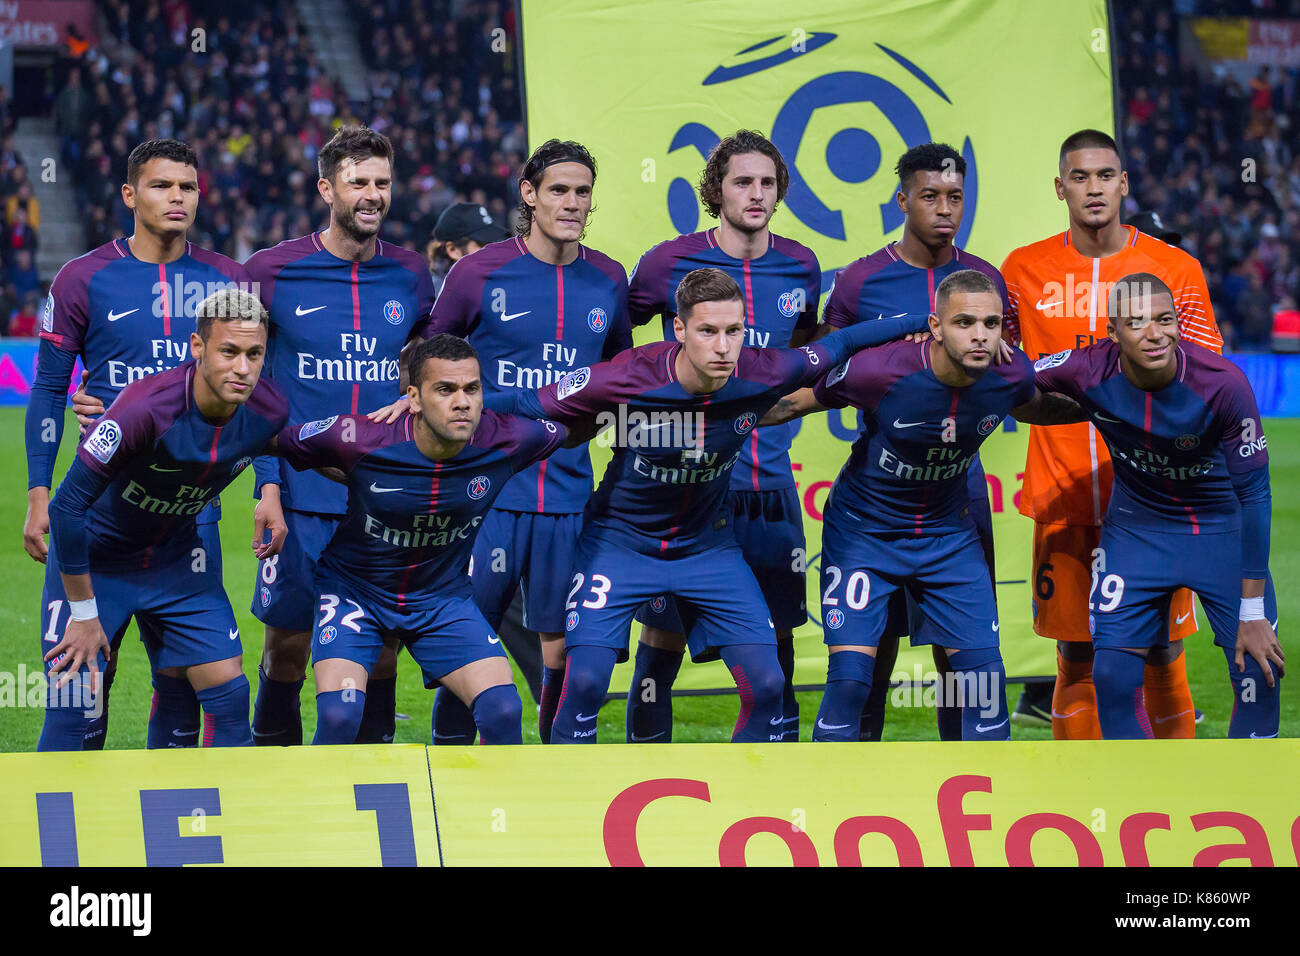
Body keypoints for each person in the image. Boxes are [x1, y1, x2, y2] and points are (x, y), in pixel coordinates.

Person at [504, 267, 924, 743]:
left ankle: (739, 807)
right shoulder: (628, 375)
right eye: (708, 331)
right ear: (679, 329)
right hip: (621, 546)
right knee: (584, 681)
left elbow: (842, 343)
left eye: (733, 331)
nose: (723, 347)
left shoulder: (764, 370)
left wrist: (923, 320)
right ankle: (568, 806)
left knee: (767, 684)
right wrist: (424, 412)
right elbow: (523, 402)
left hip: (708, 550)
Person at [764, 270, 1075, 740]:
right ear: (934, 326)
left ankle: (988, 811)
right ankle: (828, 806)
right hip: (863, 535)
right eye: (964, 322)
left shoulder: (1009, 375)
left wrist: (1117, 407)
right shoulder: (879, 370)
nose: (979, 336)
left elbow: (1041, 406)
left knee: (984, 688)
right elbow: (790, 404)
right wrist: (703, 415)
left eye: (991, 325)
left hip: (948, 537)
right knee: (850, 681)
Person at [1000, 129, 1224, 740]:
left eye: (1105, 175)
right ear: (1060, 187)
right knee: (1076, 651)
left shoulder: (1175, 268)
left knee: (1161, 651)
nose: (1093, 187)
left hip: (1156, 501)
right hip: (1064, 494)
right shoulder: (1021, 269)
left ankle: (1171, 796)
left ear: (1124, 184)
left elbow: (1201, 376)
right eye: (1080, 176)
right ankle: (1084, 799)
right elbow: (1010, 381)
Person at [30, 138, 252, 749]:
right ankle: (63, 841)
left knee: (185, 691)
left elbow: (260, 398)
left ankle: (180, 834)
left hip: (188, 520)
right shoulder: (83, 278)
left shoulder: (229, 282)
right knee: (78, 701)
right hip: (98, 514)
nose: (177, 197)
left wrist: (271, 488)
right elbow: (50, 391)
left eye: (187, 187)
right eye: (161, 186)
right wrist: (38, 491)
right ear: (130, 194)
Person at [414, 139, 633, 744]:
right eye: (558, 190)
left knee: (560, 646)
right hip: (484, 494)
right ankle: (452, 763)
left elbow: (617, 376)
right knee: (470, 635)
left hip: (567, 495)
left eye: (582, 192)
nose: (571, 202)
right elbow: (429, 358)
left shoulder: (608, 280)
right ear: (529, 195)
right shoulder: (478, 272)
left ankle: (555, 766)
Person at [273, 334, 568, 744]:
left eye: (472, 389)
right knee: (340, 716)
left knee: (504, 710)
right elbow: (273, 438)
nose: (461, 401)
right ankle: (320, 807)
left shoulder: (510, 439)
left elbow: (574, 420)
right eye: (445, 390)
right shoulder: (359, 437)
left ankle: (490, 809)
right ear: (413, 397)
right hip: (356, 594)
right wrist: (272, 491)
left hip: (441, 600)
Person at [623, 129, 819, 743]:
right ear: (717, 190)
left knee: (775, 630)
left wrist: (764, 414)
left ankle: (773, 769)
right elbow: (617, 351)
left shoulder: (802, 266)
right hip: (682, 490)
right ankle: (644, 764)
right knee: (664, 635)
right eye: (742, 181)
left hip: (767, 483)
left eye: (767, 182)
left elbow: (809, 361)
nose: (756, 194)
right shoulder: (666, 263)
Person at [811, 141, 1008, 740]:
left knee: (965, 664)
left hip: (958, 495)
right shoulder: (860, 281)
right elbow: (822, 367)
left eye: (955, 197)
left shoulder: (983, 283)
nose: (944, 208)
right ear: (902, 200)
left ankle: (965, 778)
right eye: (930, 196)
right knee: (870, 655)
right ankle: (856, 785)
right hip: (877, 493)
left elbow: (1012, 372)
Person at [1030, 273, 1282, 738]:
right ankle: (1143, 798)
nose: (1154, 334)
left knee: (1258, 674)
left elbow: (1256, 496)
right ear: (1112, 332)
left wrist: (1252, 613)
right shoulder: (1086, 368)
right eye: (1137, 322)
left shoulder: (1223, 383)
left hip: (1219, 531)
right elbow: (1017, 380)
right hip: (1136, 532)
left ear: (1178, 323)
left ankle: (1248, 803)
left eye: (1165, 319)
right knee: (1110, 678)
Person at [246, 126, 434, 746]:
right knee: (289, 644)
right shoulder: (271, 272)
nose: (373, 193)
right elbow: (255, 390)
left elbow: (433, 368)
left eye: (382, 182)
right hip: (299, 498)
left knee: (380, 648)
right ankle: (275, 773)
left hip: (384, 500)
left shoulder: (411, 274)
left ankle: (372, 775)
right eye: (359, 182)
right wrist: (266, 488)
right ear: (329, 187)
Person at [39, 289, 286, 750]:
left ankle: (211, 816)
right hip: (98, 561)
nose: (243, 367)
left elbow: (317, 446)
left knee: (229, 697)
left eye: (254, 354)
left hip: (176, 561)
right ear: (197, 347)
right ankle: (64, 821)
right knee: (76, 699)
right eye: (229, 351)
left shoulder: (269, 409)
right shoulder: (144, 407)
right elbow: (66, 507)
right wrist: (84, 613)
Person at [425, 201, 508, 297]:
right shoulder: (435, 299)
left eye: (494, 242)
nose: (493, 249)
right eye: (483, 244)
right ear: (453, 250)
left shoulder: (491, 281)